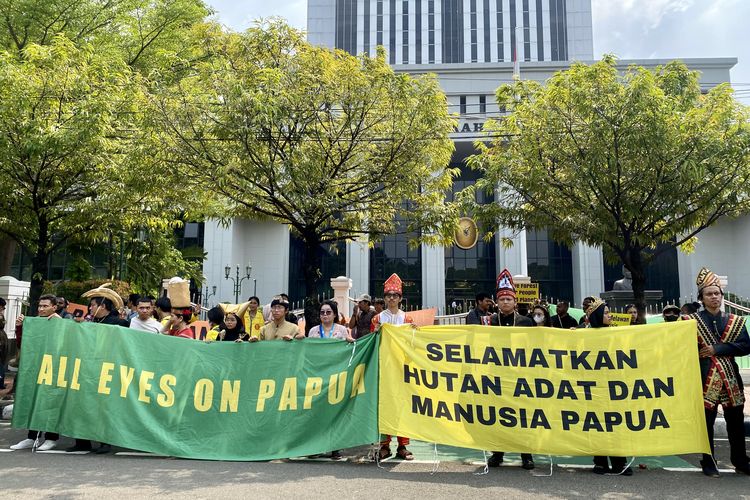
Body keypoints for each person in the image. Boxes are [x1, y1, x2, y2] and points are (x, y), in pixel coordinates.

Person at [691, 267, 750, 477]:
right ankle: (708, 461)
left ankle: (740, 461)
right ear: (702, 298)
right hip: (705, 377)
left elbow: (745, 346)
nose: (714, 297)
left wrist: (718, 349)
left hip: (730, 378)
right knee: (706, 422)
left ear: (721, 296)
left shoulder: (735, 320)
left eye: (717, 293)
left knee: (735, 422)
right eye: (709, 294)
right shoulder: (691, 322)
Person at [487, 269, 535, 470]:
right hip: (497, 375)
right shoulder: (490, 322)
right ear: (497, 302)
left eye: (509, 299)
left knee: (523, 416)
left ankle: (527, 455)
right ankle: (498, 454)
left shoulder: (526, 322)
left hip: (520, 375)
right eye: (502, 299)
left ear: (515, 302)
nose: (505, 302)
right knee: (498, 416)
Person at [586, 298, 633, 476]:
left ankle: (620, 462)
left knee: (616, 424)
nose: (610, 315)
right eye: (605, 313)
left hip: (614, 387)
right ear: (597, 315)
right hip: (593, 387)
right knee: (596, 424)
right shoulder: (584, 335)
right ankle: (600, 461)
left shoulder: (617, 334)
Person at [371, 273, 415, 461]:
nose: (391, 298)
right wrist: (377, 332)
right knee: (383, 405)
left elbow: (413, 345)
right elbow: (371, 343)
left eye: (394, 295)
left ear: (400, 298)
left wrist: (414, 332)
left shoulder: (407, 319)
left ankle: (403, 446)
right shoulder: (377, 319)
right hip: (383, 367)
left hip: (401, 368)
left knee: (402, 405)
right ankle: (384, 446)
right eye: (388, 295)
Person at [10, 294, 61, 452]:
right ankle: (32, 437)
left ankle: (51, 438)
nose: (41, 309)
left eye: (45, 306)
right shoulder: (34, 323)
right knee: (33, 400)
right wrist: (19, 327)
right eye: (39, 306)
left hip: (53, 369)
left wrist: (59, 322)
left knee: (51, 403)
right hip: (35, 368)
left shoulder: (60, 322)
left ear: (54, 307)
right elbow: (22, 344)